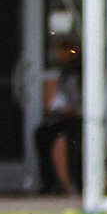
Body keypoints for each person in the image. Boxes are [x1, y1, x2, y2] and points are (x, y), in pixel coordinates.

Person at [33, 39, 83, 194]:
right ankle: (50, 182)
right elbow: (59, 100)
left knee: (71, 139)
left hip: (80, 118)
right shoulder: (65, 75)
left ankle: (76, 183)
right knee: (42, 134)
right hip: (65, 117)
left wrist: (75, 110)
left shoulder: (85, 76)